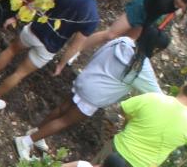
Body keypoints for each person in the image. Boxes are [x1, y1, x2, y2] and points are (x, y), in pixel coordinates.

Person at [14, 28, 167, 160]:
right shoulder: (141, 67)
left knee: (62, 109)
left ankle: (38, 133)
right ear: (155, 49)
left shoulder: (123, 41)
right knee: (65, 121)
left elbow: (99, 52)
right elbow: (158, 95)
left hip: (86, 79)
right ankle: (26, 141)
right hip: (94, 96)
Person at [0, 0, 110, 112]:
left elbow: (37, 4)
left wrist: (15, 17)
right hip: (50, 47)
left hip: (35, 30)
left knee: (10, 50)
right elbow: (75, 45)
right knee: (19, 73)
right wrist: (61, 64)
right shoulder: (93, 18)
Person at [79, 0, 187, 55]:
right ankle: (77, 49)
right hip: (140, 9)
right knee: (110, 35)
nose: (181, 5)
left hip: (151, 17)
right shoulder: (164, 1)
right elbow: (149, 21)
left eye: (184, 4)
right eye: (180, 1)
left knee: (126, 43)